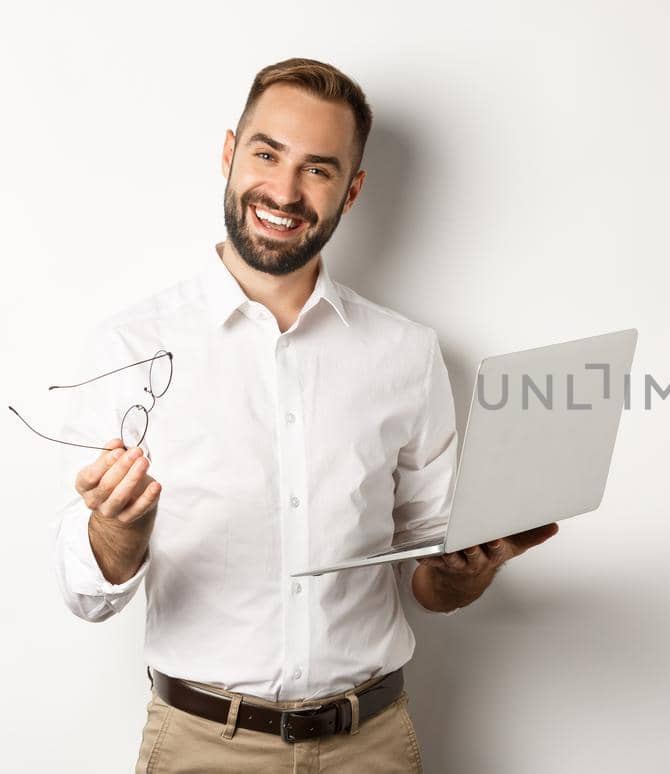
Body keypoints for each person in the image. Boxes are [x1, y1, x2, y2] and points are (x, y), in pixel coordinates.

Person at [48, 57, 558, 773]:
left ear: (352, 191)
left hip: (372, 746)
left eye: (318, 169)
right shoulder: (131, 347)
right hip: (200, 748)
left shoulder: (407, 354)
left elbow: (430, 579)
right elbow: (85, 595)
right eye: (267, 154)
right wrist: (115, 529)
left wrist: (466, 571)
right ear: (229, 154)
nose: (284, 190)